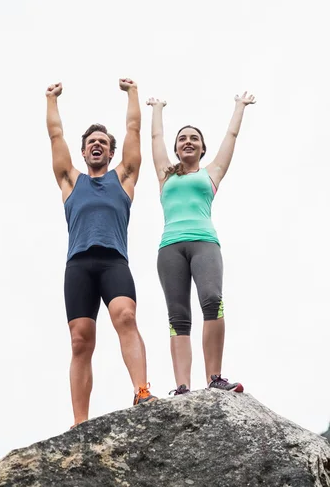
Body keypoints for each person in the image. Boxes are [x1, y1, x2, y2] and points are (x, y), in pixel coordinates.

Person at [46, 78, 156, 427]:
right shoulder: (69, 180)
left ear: (110, 153)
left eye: (103, 143)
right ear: (83, 152)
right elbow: (55, 135)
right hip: (78, 264)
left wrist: (133, 93)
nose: (97, 145)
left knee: (125, 316)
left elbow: (134, 128)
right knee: (81, 340)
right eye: (91, 142)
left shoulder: (123, 178)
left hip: (113, 261)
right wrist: (51, 100)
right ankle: (80, 421)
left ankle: (142, 391)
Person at [146, 91, 256, 395]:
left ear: (202, 148)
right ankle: (182, 386)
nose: (188, 141)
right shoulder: (164, 175)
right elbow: (156, 137)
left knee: (212, 300)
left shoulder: (213, 173)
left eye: (194, 138)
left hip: (205, 243)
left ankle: (214, 378)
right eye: (182, 138)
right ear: (177, 148)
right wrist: (157, 108)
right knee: (178, 316)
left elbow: (231, 135)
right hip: (170, 248)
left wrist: (239, 106)